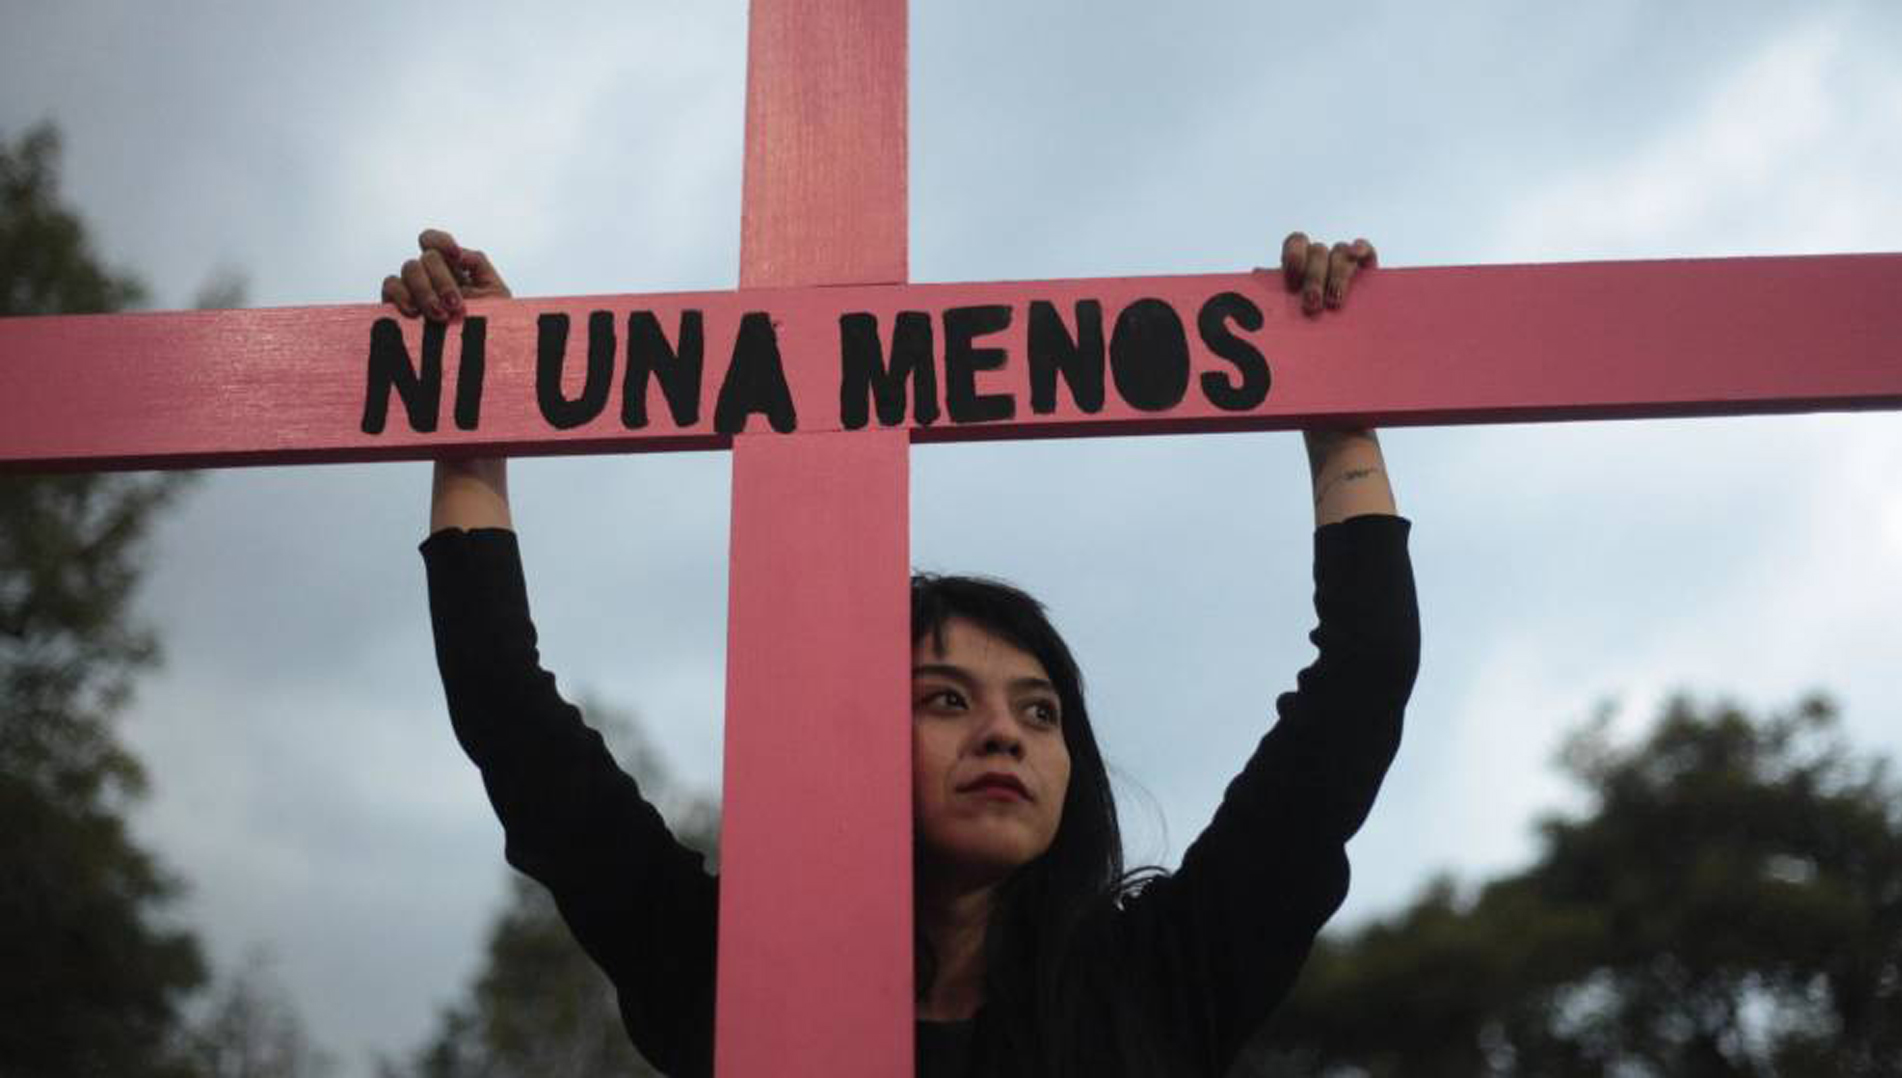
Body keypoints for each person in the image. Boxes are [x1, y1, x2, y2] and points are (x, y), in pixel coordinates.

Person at [392, 229, 1418, 1077]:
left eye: (1040, 710)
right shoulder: (728, 966)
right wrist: (474, 407)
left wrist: (1338, 414)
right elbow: (508, 710)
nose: (1004, 735)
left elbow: (1359, 686)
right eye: (944, 700)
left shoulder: (1158, 976)